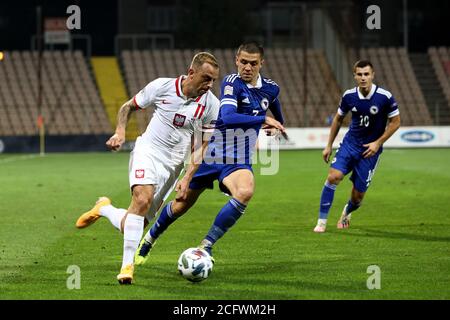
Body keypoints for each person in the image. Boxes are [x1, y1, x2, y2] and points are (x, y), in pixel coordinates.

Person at [134, 42, 286, 266]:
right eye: (243, 62)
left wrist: (277, 124)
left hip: (238, 159)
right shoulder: (231, 83)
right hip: (213, 153)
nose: (247, 67)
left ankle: (206, 245)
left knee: (245, 192)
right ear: (236, 60)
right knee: (181, 203)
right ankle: (149, 239)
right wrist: (262, 119)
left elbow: (275, 110)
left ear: (261, 64)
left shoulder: (271, 88)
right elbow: (228, 117)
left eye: (253, 63)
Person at [75, 52, 221, 284]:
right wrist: (120, 132)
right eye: (206, 78)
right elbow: (127, 107)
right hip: (148, 151)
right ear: (191, 73)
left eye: (213, 80)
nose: (209, 84)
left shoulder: (212, 104)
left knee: (134, 223)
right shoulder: (162, 86)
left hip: (172, 167)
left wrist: (187, 177)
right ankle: (126, 267)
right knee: (143, 199)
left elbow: (203, 145)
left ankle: (104, 208)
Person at [313, 60, 401, 233]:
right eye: (359, 74)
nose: (363, 78)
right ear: (354, 76)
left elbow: (396, 122)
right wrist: (328, 145)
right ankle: (321, 222)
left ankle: (347, 211)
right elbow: (338, 118)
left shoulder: (385, 97)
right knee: (333, 177)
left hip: (370, 151)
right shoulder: (349, 96)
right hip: (350, 144)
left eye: (366, 74)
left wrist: (378, 143)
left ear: (372, 75)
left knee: (358, 197)